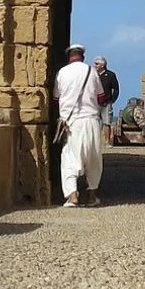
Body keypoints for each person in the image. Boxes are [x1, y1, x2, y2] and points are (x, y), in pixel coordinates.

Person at [52, 44, 103, 207]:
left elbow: (55, 98)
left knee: (69, 158)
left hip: (71, 122)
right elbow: (101, 97)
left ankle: (72, 195)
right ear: (83, 56)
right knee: (93, 158)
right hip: (91, 120)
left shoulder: (62, 73)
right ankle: (92, 196)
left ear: (69, 57)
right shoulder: (92, 72)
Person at [93, 56, 120, 144]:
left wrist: (112, 100)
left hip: (106, 103)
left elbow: (116, 88)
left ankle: (107, 141)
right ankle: (95, 142)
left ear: (102, 65)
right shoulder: (93, 75)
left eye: (96, 64)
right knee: (94, 123)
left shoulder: (111, 75)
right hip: (95, 103)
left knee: (107, 123)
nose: (95, 65)